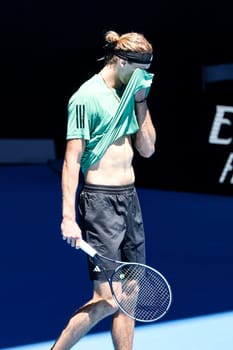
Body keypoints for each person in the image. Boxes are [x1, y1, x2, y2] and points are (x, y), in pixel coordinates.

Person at [51, 30, 156, 350]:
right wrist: (68, 217)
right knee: (108, 300)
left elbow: (148, 149)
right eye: (143, 70)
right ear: (123, 61)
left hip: (130, 200)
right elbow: (71, 161)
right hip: (100, 204)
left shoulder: (130, 93)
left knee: (130, 294)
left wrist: (140, 100)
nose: (147, 76)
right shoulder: (85, 98)